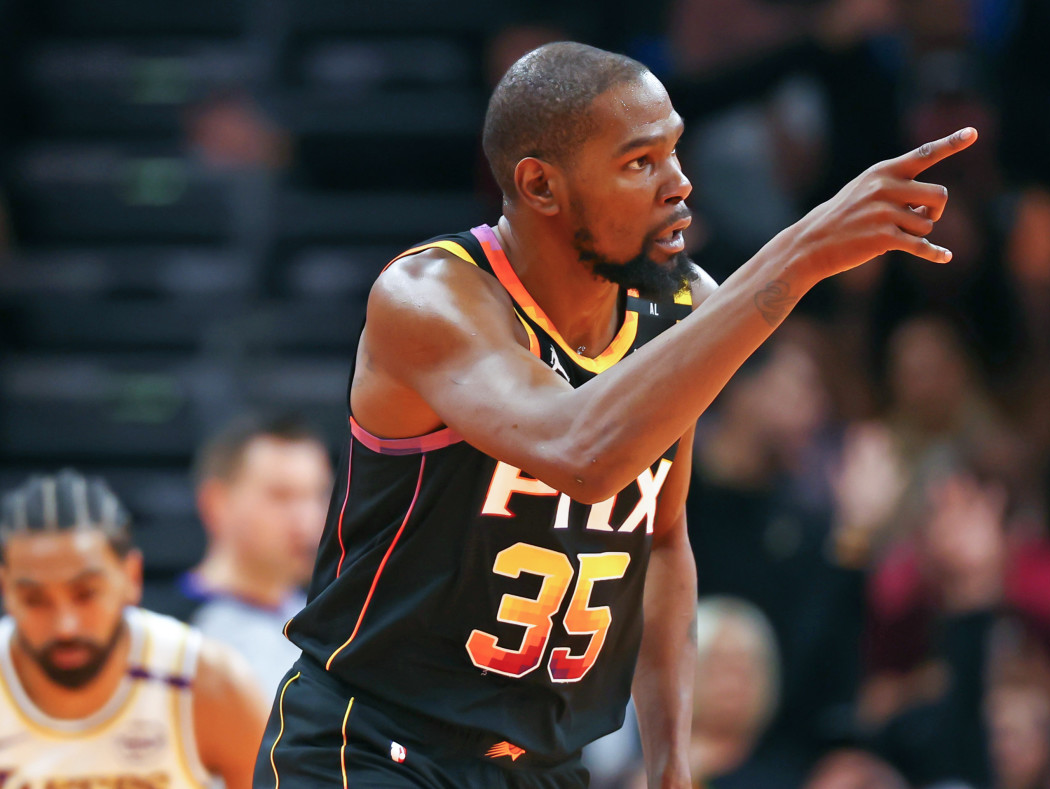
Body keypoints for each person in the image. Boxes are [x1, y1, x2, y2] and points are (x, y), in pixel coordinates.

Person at [256, 41, 976, 789]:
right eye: (641, 163)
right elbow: (583, 453)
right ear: (540, 185)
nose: (680, 183)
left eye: (675, 150)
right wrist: (801, 253)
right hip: (374, 742)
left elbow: (661, 541)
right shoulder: (431, 296)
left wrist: (670, 761)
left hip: (545, 764)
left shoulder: (676, 303)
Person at [0, 469, 268, 788]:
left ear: (132, 576)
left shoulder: (211, 683)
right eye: (34, 600)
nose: (65, 626)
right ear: (6, 590)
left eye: (86, 594)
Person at [143, 413, 333, 698]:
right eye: (281, 496)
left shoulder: (336, 627)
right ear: (217, 502)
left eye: (316, 495)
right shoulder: (167, 639)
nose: (306, 520)